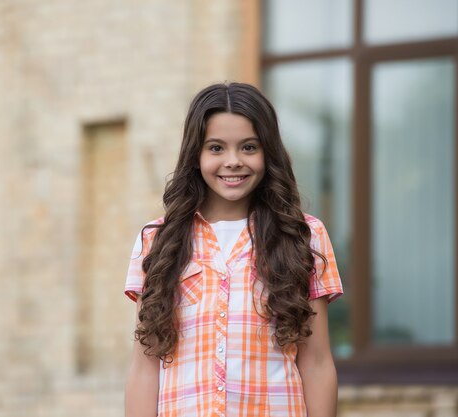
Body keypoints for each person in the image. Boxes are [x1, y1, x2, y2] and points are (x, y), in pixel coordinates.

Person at [124, 82, 343, 417]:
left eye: (249, 147)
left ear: (268, 153)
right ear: (195, 155)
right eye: (215, 148)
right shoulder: (157, 241)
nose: (233, 161)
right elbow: (144, 368)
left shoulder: (304, 235)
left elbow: (316, 362)